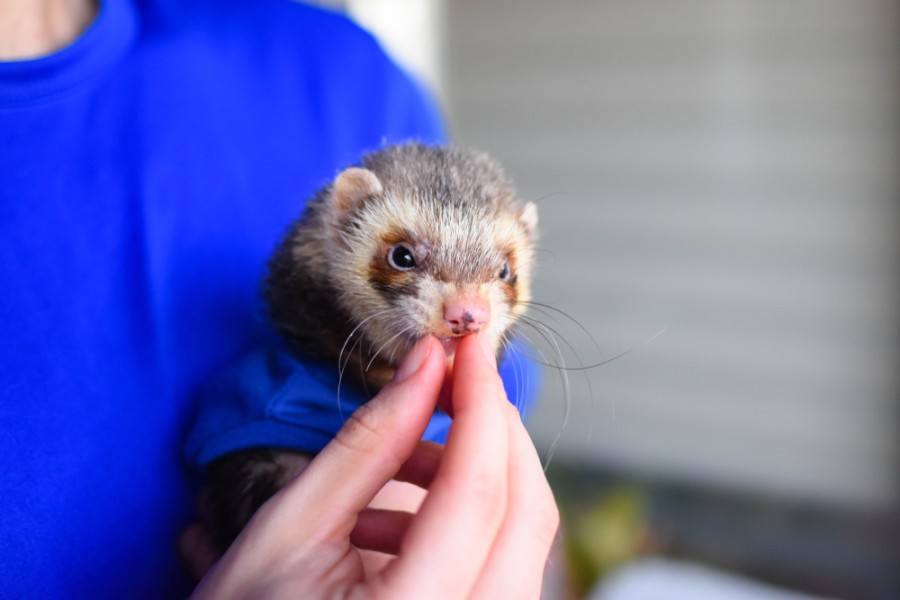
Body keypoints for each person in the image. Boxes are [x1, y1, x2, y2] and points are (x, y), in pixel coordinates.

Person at [0, 0, 555, 597]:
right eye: (403, 258)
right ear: (343, 224)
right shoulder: (265, 403)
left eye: (500, 271)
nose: (468, 306)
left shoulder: (354, 71)